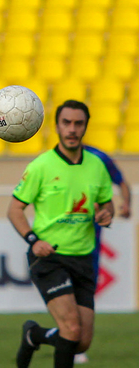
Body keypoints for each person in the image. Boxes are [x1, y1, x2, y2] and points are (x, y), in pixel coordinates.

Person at [7, 100, 114, 368]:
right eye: (67, 123)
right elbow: (14, 210)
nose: (72, 129)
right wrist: (33, 241)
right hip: (49, 257)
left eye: (78, 123)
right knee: (71, 329)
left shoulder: (97, 166)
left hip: (83, 258)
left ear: (86, 127)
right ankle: (37, 336)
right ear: (57, 126)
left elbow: (105, 202)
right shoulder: (42, 166)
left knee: (82, 341)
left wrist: (106, 212)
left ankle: (35, 335)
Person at [73, 145, 132, 365]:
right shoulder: (52, 160)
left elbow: (122, 182)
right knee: (66, 294)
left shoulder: (98, 158)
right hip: (60, 238)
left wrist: (126, 204)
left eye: (77, 124)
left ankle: (76, 343)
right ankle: (70, 339)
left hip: (90, 240)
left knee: (83, 291)